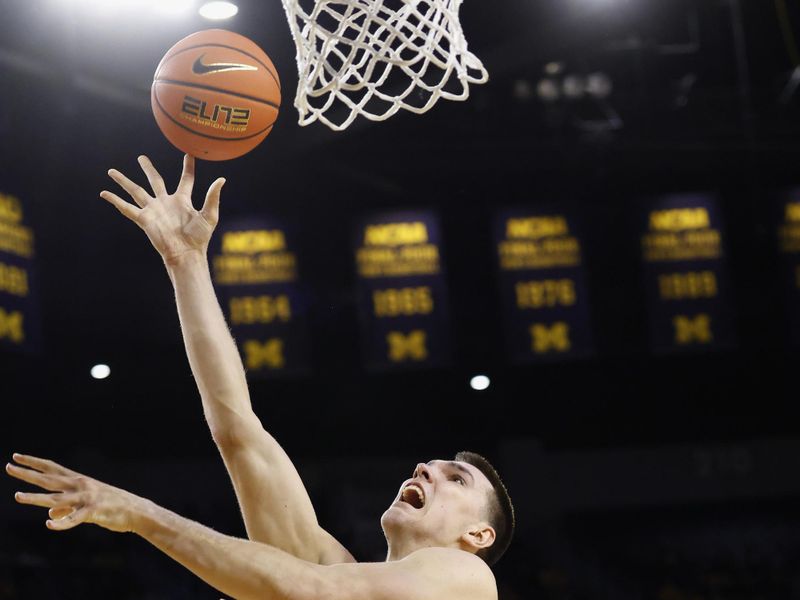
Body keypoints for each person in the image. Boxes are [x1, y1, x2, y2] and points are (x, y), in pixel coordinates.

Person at [6, 154, 514, 600]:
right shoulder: (339, 571)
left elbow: (310, 591)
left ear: (479, 535)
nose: (427, 467)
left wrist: (139, 513)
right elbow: (237, 431)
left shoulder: (467, 576)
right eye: (440, 465)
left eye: (455, 478)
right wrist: (185, 263)